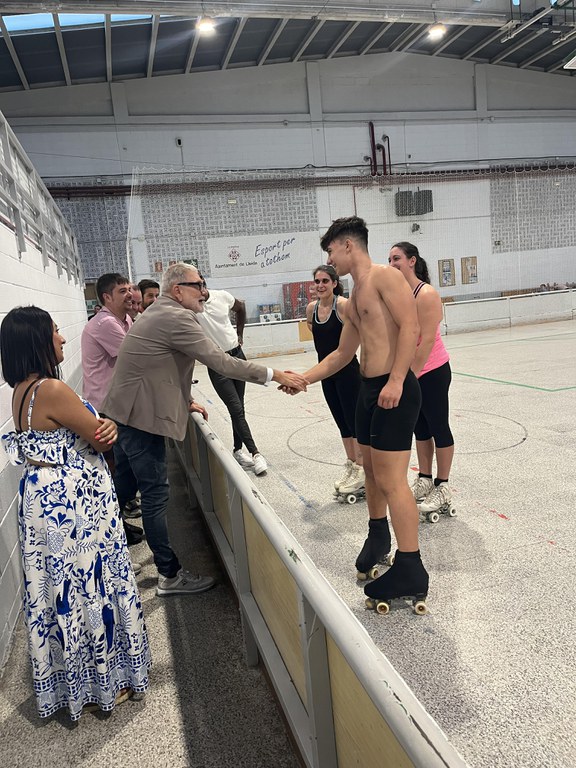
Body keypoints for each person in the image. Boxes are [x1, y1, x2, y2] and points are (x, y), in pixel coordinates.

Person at [102, 263, 308, 596]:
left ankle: (107, 555)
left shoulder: (162, 313)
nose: (203, 290)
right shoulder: (176, 316)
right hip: (139, 421)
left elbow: (158, 365)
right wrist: (275, 375)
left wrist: (184, 401)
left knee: (122, 489)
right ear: (178, 290)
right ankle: (169, 576)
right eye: (197, 284)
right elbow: (222, 362)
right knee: (155, 497)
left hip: (125, 414)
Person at [0, 306, 151, 721]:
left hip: (44, 501)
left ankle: (76, 682)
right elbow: (99, 437)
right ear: (37, 341)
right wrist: (109, 428)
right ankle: (105, 681)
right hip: (73, 508)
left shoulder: (22, 390)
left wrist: (101, 427)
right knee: (90, 586)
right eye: (54, 331)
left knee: (60, 590)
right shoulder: (51, 389)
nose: (62, 338)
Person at [284, 217, 428, 609]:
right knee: (369, 469)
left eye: (330, 250)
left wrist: (397, 380)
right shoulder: (356, 293)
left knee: (393, 479)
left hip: (392, 389)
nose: (330, 259)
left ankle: (411, 566)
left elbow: (411, 325)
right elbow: (342, 354)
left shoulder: (384, 277)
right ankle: (378, 535)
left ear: (347, 246)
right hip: (368, 389)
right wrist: (304, 378)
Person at [388, 242, 454, 516]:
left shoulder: (425, 294)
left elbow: (426, 341)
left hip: (432, 371)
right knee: (420, 429)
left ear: (412, 261)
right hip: (410, 373)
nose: (392, 264)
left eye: (397, 258)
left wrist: (407, 377)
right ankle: (425, 478)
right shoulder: (396, 295)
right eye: (389, 260)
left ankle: (443, 485)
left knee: (438, 426)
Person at [81, 273, 143, 545]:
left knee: (124, 471)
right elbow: (139, 355)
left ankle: (118, 525)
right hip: (105, 408)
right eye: (122, 291)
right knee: (115, 471)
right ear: (107, 297)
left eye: (130, 288)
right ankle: (111, 530)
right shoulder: (105, 323)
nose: (130, 294)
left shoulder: (125, 319)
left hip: (118, 405)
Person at [305, 264, 364, 497]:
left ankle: (362, 469)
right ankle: (351, 465)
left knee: (354, 422)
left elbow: (355, 335)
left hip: (348, 373)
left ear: (334, 283)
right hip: (327, 374)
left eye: (325, 281)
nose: (320, 285)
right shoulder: (311, 309)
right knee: (341, 422)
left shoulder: (344, 306)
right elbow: (316, 332)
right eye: (317, 281)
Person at [197, 283, 267, 474]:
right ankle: (256, 453)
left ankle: (237, 450)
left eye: (200, 285)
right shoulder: (192, 307)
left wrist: (240, 333)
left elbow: (241, 307)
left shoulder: (222, 295)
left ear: (203, 283)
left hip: (237, 356)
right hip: (218, 363)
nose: (199, 290)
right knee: (235, 408)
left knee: (239, 407)